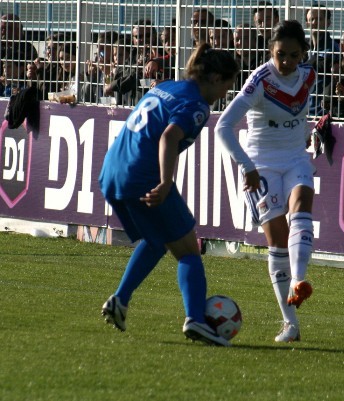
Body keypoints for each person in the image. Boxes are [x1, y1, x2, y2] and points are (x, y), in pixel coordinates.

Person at [99, 44, 240, 346]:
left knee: (157, 239)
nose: (226, 94)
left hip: (113, 168)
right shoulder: (197, 106)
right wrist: (165, 182)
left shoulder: (167, 87)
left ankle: (119, 302)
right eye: (227, 86)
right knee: (188, 249)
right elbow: (169, 136)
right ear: (215, 77)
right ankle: (196, 321)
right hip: (142, 174)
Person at [215, 20, 315, 343]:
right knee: (277, 238)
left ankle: (299, 280)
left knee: (302, 209)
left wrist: (311, 133)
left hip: (296, 157)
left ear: (303, 54)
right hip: (261, 164)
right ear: (271, 50)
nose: (286, 62)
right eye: (280, 54)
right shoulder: (259, 81)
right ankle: (291, 324)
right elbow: (223, 127)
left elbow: (300, 118)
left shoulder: (309, 77)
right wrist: (246, 167)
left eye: (293, 55)